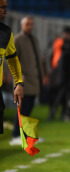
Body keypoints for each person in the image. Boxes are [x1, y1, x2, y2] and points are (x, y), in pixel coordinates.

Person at [9, 16, 43, 145]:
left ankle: (26, 136)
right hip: (23, 81)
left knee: (29, 109)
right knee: (22, 109)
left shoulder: (34, 40)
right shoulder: (17, 40)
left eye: (31, 24)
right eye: (27, 24)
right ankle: (16, 136)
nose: (30, 27)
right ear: (22, 25)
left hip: (34, 80)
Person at [0, 0, 24, 134]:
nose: (6, 11)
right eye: (2, 8)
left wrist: (19, 83)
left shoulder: (5, 33)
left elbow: (13, 60)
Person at [47, 26, 70, 121]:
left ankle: (63, 114)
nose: (66, 35)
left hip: (68, 74)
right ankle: (52, 113)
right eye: (65, 33)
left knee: (65, 96)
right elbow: (51, 56)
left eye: (68, 34)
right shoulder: (58, 43)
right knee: (54, 94)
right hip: (57, 72)